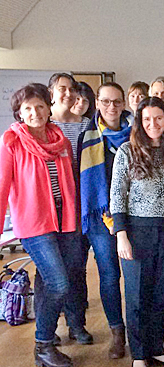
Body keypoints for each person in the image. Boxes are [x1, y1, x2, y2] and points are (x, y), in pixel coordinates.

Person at [0, 83, 81, 367]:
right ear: (20, 113)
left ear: (48, 108)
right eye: (28, 109)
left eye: (39, 106)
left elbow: (70, 182)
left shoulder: (61, 140)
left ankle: (46, 337)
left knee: (51, 282)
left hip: (65, 220)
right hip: (34, 224)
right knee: (58, 283)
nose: (34, 113)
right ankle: (43, 345)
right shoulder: (11, 140)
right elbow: (2, 187)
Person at [110, 97, 164, 367]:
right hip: (137, 232)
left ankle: (156, 346)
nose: (153, 124)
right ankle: (138, 353)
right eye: (147, 119)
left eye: (158, 118)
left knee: (162, 294)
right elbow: (117, 196)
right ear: (139, 122)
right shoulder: (127, 152)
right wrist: (121, 234)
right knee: (137, 295)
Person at [77, 82, 132, 359]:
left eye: (117, 101)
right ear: (97, 103)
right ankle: (117, 332)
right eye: (106, 101)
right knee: (110, 275)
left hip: (134, 216)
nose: (112, 107)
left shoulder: (137, 133)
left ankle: (142, 332)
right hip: (101, 218)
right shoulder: (86, 136)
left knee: (136, 277)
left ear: (123, 104)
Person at [48, 72, 92, 343]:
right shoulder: (43, 126)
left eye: (71, 89)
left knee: (76, 267)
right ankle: (49, 328)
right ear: (51, 93)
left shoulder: (86, 125)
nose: (67, 93)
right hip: (48, 208)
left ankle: (76, 325)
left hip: (76, 206)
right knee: (49, 271)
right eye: (61, 88)